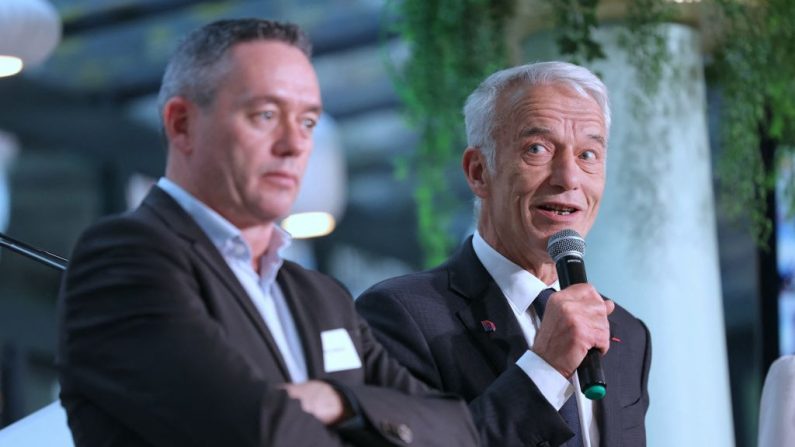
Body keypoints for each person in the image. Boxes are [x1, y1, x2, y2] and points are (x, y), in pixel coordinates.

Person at [56, 19, 478, 447]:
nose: (294, 144)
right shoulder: (123, 257)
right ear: (182, 124)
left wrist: (338, 401)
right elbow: (257, 432)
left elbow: (456, 429)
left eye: (309, 121)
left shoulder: (321, 297)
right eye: (266, 115)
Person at [356, 61, 651, 447]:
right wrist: (544, 368)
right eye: (537, 149)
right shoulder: (399, 316)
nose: (569, 177)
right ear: (479, 171)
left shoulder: (627, 334)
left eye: (588, 155)